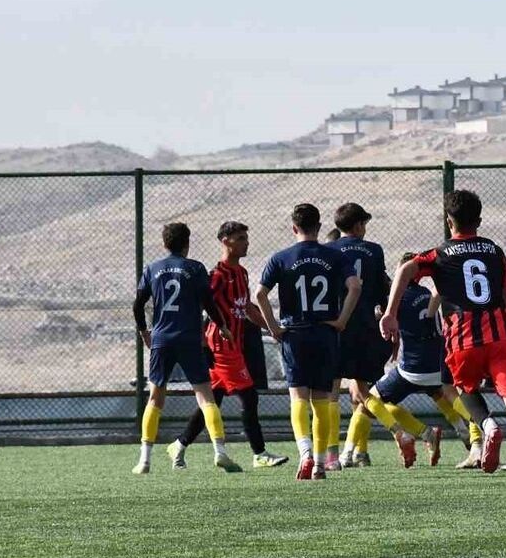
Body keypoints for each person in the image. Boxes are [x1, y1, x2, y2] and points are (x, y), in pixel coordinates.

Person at [380, 189, 506, 496]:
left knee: (463, 389)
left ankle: (487, 426)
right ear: (480, 220)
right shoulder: (494, 251)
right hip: (501, 334)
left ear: (449, 221)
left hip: (462, 335)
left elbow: (406, 269)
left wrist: (390, 314)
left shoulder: (441, 253)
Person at [167, 221, 289, 470]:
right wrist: (202, 339)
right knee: (249, 396)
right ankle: (259, 453)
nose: (246, 242)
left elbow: (247, 309)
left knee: (214, 400)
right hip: (221, 345)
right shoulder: (217, 275)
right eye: (241, 238)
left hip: (234, 344)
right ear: (225, 241)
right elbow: (201, 307)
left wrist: (271, 328)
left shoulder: (241, 273)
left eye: (246, 237)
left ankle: (179, 444)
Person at [255, 204, 362, 481]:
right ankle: (319, 464)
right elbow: (355, 286)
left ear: (294, 228)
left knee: (298, 397)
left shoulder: (281, 258)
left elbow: (259, 295)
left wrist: (274, 327)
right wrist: (342, 320)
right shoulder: (334, 255)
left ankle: (305, 453)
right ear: (319, 226)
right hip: (326, 333)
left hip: (295, 333)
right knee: (323, 399)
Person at [131, 222, 240, 475]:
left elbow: (138, 305)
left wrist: (144, 331)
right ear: (187, 243)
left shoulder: (153, 269)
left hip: (162, 340)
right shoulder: (195, 268)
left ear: (165, 244)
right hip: (190, 339)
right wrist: (221, 325)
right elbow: (208, 302)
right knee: (205, 396)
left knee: (155, 397)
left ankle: (144, 460)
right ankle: (220, 452)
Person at [351, 253, 478, 468]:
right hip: (436, 363)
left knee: (365, 398)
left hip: (411, 368)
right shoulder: (427, 292)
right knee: (441, 392)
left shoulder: (397, 298)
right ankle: (466, 427)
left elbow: (387, 321)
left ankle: (347, 453)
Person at [325, 203, 392, 471]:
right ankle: (360, 452)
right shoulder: (374, 250)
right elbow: (379, 289)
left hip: (335, 327)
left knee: (331, 392)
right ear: (358, 226)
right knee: (361, 391)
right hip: (365, 327)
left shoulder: (327, 251)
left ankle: (331, 455)